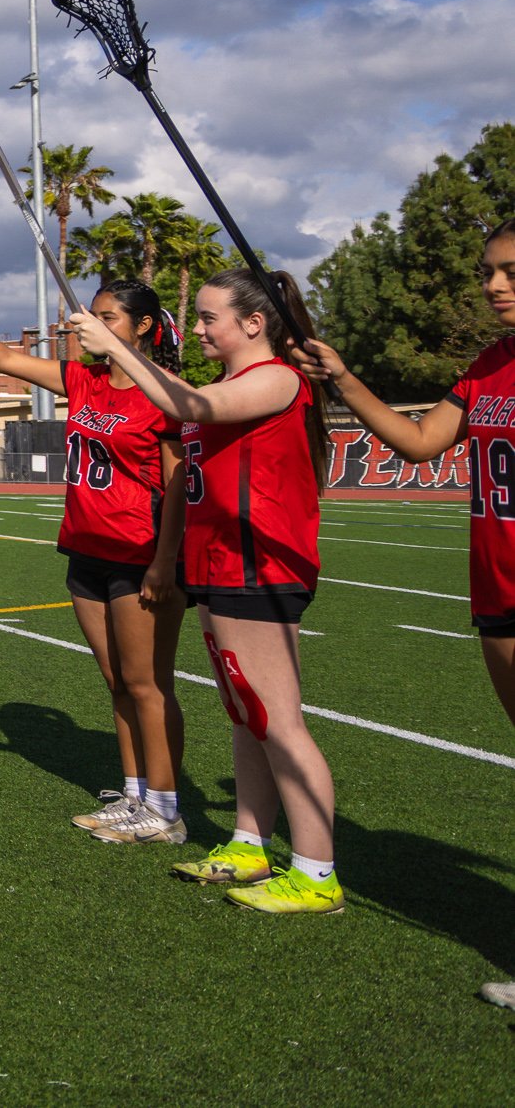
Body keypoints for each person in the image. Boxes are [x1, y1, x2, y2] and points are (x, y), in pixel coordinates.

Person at [67, 270, 341, 914]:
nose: (195, 328)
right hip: (218, 564)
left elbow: (191, 408)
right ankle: (250, 843)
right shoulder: (225, 382)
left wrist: (118, 348)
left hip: (261, 564)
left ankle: (316, 872)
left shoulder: (277, 378)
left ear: (254, 323)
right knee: (246, 716)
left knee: (278, 721)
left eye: (209, 317)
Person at [298, 219, 514, 978]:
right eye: (488, 271)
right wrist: (343, 377)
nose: (494, 285)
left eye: (511, 271)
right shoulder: (489, 364)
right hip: (497, 587)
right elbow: (421, 443)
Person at [0, 282, 190, 843]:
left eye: (108, 318)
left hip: (139, 552)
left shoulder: (164, 395)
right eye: (93, 315)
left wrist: (165, 562)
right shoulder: (84, 381)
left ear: (142, 327)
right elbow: (3, 358)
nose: (90, 325)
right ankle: (134, 794)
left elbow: (180, 483)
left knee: (147, 684)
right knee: (117, 681)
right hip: (86, 548)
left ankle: (165, 811)